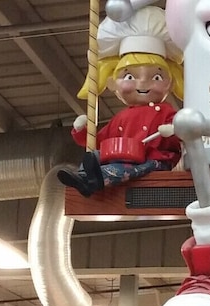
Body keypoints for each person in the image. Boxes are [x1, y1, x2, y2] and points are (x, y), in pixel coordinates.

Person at [58, 7, 184, 197]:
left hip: (154, 161)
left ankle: (94, 181)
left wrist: (175, 129)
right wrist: (83, 131)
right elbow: (100, 141)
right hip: (124, 156)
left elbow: (184, 131)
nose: (142, 83)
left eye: (156, 77)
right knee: (96, 156)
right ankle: (84, 178)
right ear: (112, 83)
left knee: (121, 169)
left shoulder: (166, 113)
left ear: (170, 83)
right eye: (130, 77)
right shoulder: (121, 118)